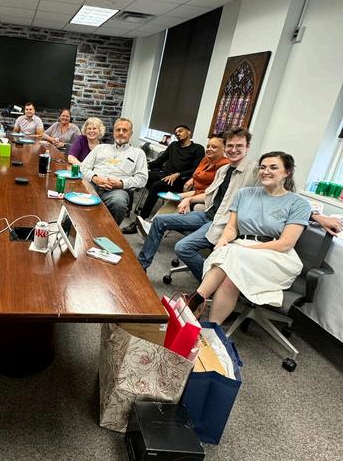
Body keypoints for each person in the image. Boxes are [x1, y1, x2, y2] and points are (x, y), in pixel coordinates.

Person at [187, 152, 312, 324]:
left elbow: (285, 243)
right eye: (262, 167)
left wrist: (244, 249)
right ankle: (212, 327)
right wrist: (223, 239)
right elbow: (232, 228)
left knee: (232, 254)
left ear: (287, 172)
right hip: (239, 248)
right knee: (230, 278)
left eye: (273, 167)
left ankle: (195, 300)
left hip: (275, 254)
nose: (266, 171)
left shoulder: (299, 204)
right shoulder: (244, 194)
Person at [137, 127, 257, 281]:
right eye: (230, 146)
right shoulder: (223, 170)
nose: (233, 150)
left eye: (239, 146)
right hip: (208, 215)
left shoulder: (255, 171)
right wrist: (188, 199)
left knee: (182, 247)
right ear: (225, 147)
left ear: (247, 147)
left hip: (224, 223)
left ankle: (210, 283)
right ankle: (141, 266)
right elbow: (209, 195)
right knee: (159, 220)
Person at [133, 133, 229, 236]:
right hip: (196, 191)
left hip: (207, 195)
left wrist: (189, 195)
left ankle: (156, 228)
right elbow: (197, 172)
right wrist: (192, 179)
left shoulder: (225, 166)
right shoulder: (206, 160)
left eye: (214, 147)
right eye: (208, 146)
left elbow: (213, 191)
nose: (209, 149)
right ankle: (153, 225)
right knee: (174, 197)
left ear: (224, 148)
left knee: (179, 199)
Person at [123, 124, 204, 232]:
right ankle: (126, 208)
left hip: (180, 180)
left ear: (189, 132)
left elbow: (196, 169)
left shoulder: (198, 149)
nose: (177, 134)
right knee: (139, 177)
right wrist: (144, 166)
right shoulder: (174, 145)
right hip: (164, 174)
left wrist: (178, 174)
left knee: (156, 186)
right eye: (176, 133)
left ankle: (139, 221)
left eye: (180, 131)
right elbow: (160, 160)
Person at [80, 118, 148, 225]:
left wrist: (121, 183)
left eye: (124, 130)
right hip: (93, 184)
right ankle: (72, 226)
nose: (121, 133)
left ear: (131, 133)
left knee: (119, 203)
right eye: (118, 130)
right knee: (79, 193)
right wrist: (95, 178)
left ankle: (109, 232)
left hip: (117, 191)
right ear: (113, 132)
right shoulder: (100, 148)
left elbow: (142, 179)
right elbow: (83, 167)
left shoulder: (138, 154)